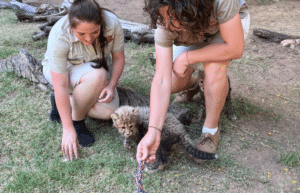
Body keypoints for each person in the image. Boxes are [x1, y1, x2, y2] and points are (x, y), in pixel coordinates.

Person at [136, 0, 250, 164]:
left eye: (172, 17)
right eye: (163, 17)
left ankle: (211, 130)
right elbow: (161, 80)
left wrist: (187, 58)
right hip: (191, 28)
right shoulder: (165, 22)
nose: (167, 24)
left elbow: (235, 48)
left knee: (213, 67)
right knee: (174, 81)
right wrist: (153, 131)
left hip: (227, 29)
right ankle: (200, 83)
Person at [42, 0, 125, 161]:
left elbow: (119, 58)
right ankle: (77, 121)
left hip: (93, 71)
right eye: (81, 34)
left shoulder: (113, 23)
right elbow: (61, 84)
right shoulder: (59, 34)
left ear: (101, 23)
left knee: (109, 113)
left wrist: (111, 85)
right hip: (63, 73)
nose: (88, 39)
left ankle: (67, 102)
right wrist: (68, 129)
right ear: (70, 25)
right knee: (98, 74)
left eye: (94, 32)